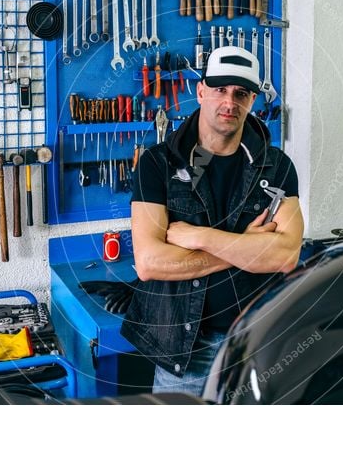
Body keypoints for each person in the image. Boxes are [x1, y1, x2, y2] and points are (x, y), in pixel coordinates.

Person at [121, 46, 304, 397]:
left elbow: (285, 256)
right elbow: (149, 263)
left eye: (241, 93)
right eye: (220, 90)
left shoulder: (277, 166)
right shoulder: (158, 165)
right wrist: (245, 247)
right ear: (201, 90)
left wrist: (199, 236)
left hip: (256, 342)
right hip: (187, 351)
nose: (229, 103)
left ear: (252, 99)